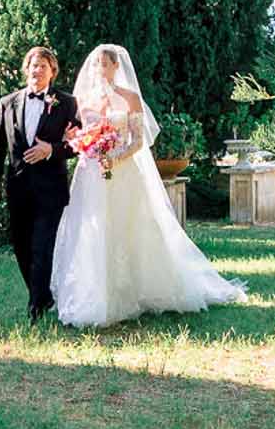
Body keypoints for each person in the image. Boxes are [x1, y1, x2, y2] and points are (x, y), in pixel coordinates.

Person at [51, 44, 246, 329]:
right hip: (91, 173)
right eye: (96, 65)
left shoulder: (130, 98)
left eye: (105, 65)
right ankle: (91, 294)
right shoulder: (83, 100)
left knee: (129, 227)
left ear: (116, 67)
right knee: (91, 229)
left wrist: (114, 157)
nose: (99, 70)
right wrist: (81, 143)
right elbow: (76, 135)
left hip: (123, 171)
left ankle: (135, 291)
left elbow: (138, 140)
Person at [0, 46, 81, 323]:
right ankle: (43, 295)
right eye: (33, 65)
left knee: (42, 247)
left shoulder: (67, 103)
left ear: (53, 72)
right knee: (21, 247)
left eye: (43, 66)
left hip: (51, 190)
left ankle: (35, 308)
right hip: (17, 188)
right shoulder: (8, 102)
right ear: (26, 69)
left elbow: (77, 144)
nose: (37, 70)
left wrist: (50, 149)